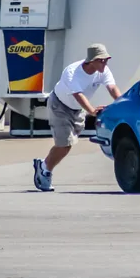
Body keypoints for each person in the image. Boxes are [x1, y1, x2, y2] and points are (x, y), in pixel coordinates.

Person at [33, 43, 122, 192]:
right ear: (91, 60)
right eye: (101, 60)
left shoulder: (104, 70)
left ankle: (43, 164)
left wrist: (122, 104)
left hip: (77, 109)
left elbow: (112, 88)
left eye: (106, 59)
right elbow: (78, 95)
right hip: (59, 106)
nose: (105, 63)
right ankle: (45, 169)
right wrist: (92, 111)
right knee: (64, 144)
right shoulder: (72, 72)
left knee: (68, 144)